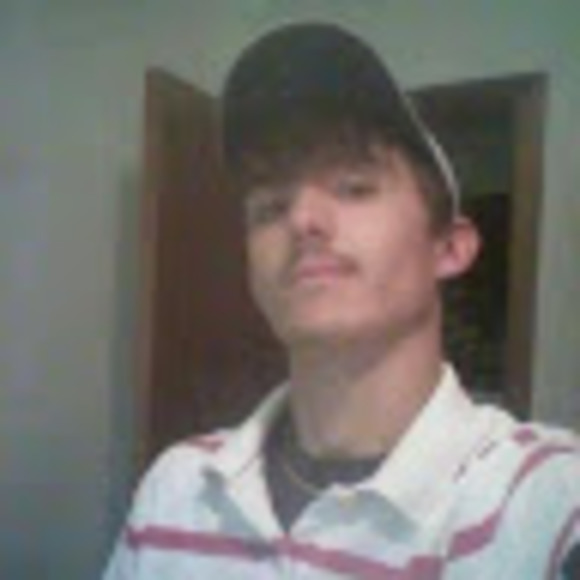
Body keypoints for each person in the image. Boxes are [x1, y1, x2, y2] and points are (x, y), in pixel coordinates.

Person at [104, 23, 580, 579]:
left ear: (449, 247)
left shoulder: (544, 499)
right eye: (270, 206)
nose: (302, 219)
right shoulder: (176, 490)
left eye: (355, 187)